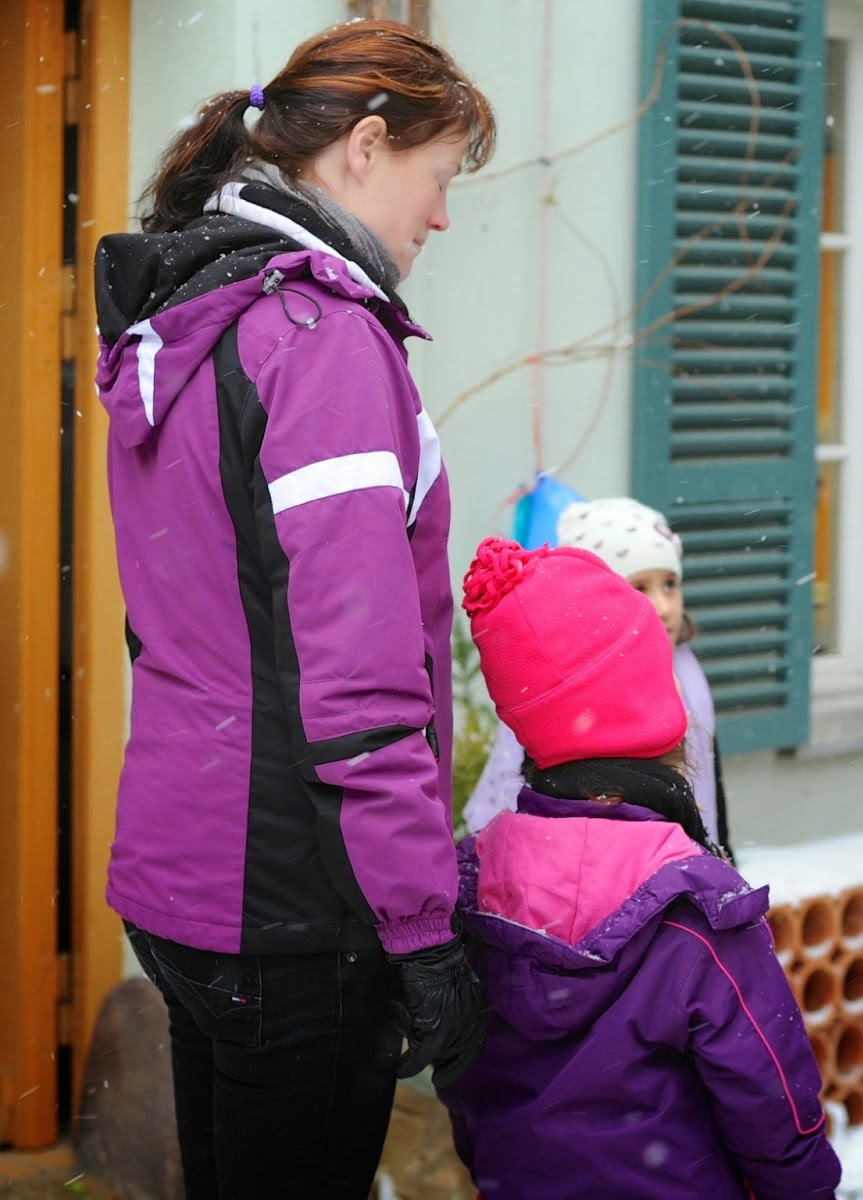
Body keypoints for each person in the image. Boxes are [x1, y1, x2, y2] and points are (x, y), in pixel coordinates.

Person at [93, 21, 495, 1198]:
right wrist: (422, 930)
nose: (441, 218)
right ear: (368, 148)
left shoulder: (193, 316)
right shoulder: (319, 340)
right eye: (439, 179)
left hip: (184, 875)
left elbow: (188, 616)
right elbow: (360, 677)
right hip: (295, 901)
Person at [438, 537, 841, 1199]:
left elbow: (464, 1077)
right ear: (660, 711)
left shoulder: (473, 888)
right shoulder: (695, 912)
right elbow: (771, 1101)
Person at [463, 497, 735, 860]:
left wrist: (722, 852)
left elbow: (710, 782)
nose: (665, 607)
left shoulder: (689, 673)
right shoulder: (563, 692)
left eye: (670, 584)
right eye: (641, 587)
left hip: (687, 856)